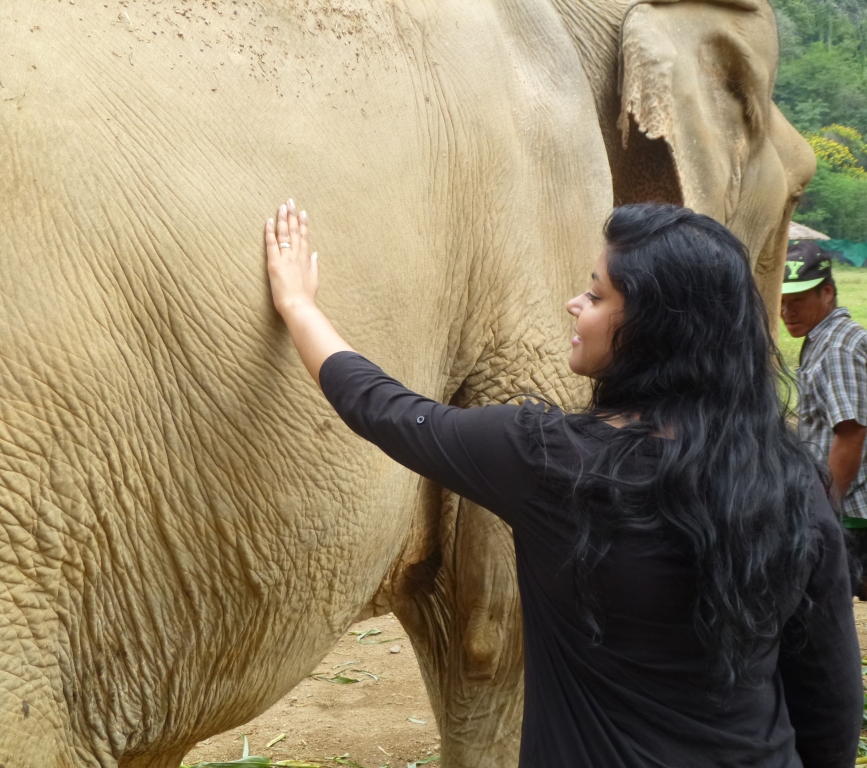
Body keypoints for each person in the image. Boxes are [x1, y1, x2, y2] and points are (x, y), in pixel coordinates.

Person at [262, 199, 861, 767]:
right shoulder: (791, 481)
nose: (575, 305)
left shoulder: (553, 463)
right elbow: (829, 695)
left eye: (597, 295)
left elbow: (388, 411)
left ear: (650, 327)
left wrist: (299, 307)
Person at [781, 241, 867, 598]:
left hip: (853, 513)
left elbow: (851, 432)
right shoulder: (824, 338)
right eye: (782, 302)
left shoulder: (836, 348)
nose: (788, 312)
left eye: (798, 301)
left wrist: (826, 509)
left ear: (827, 292)